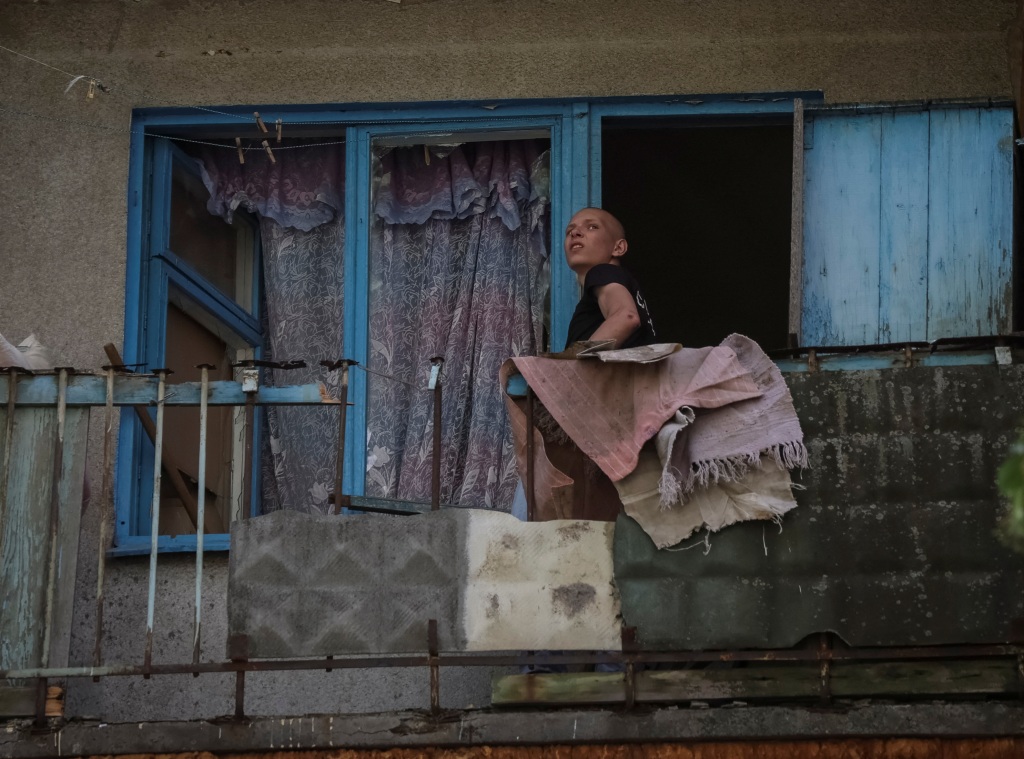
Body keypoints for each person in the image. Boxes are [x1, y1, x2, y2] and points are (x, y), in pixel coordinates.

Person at [563, 207, 655, 350]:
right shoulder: (623, 284)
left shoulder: (602, 272)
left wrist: (575, 364)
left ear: (618, 248)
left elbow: (626, 317)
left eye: (592, 227)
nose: (575, 233)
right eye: (569, 231)